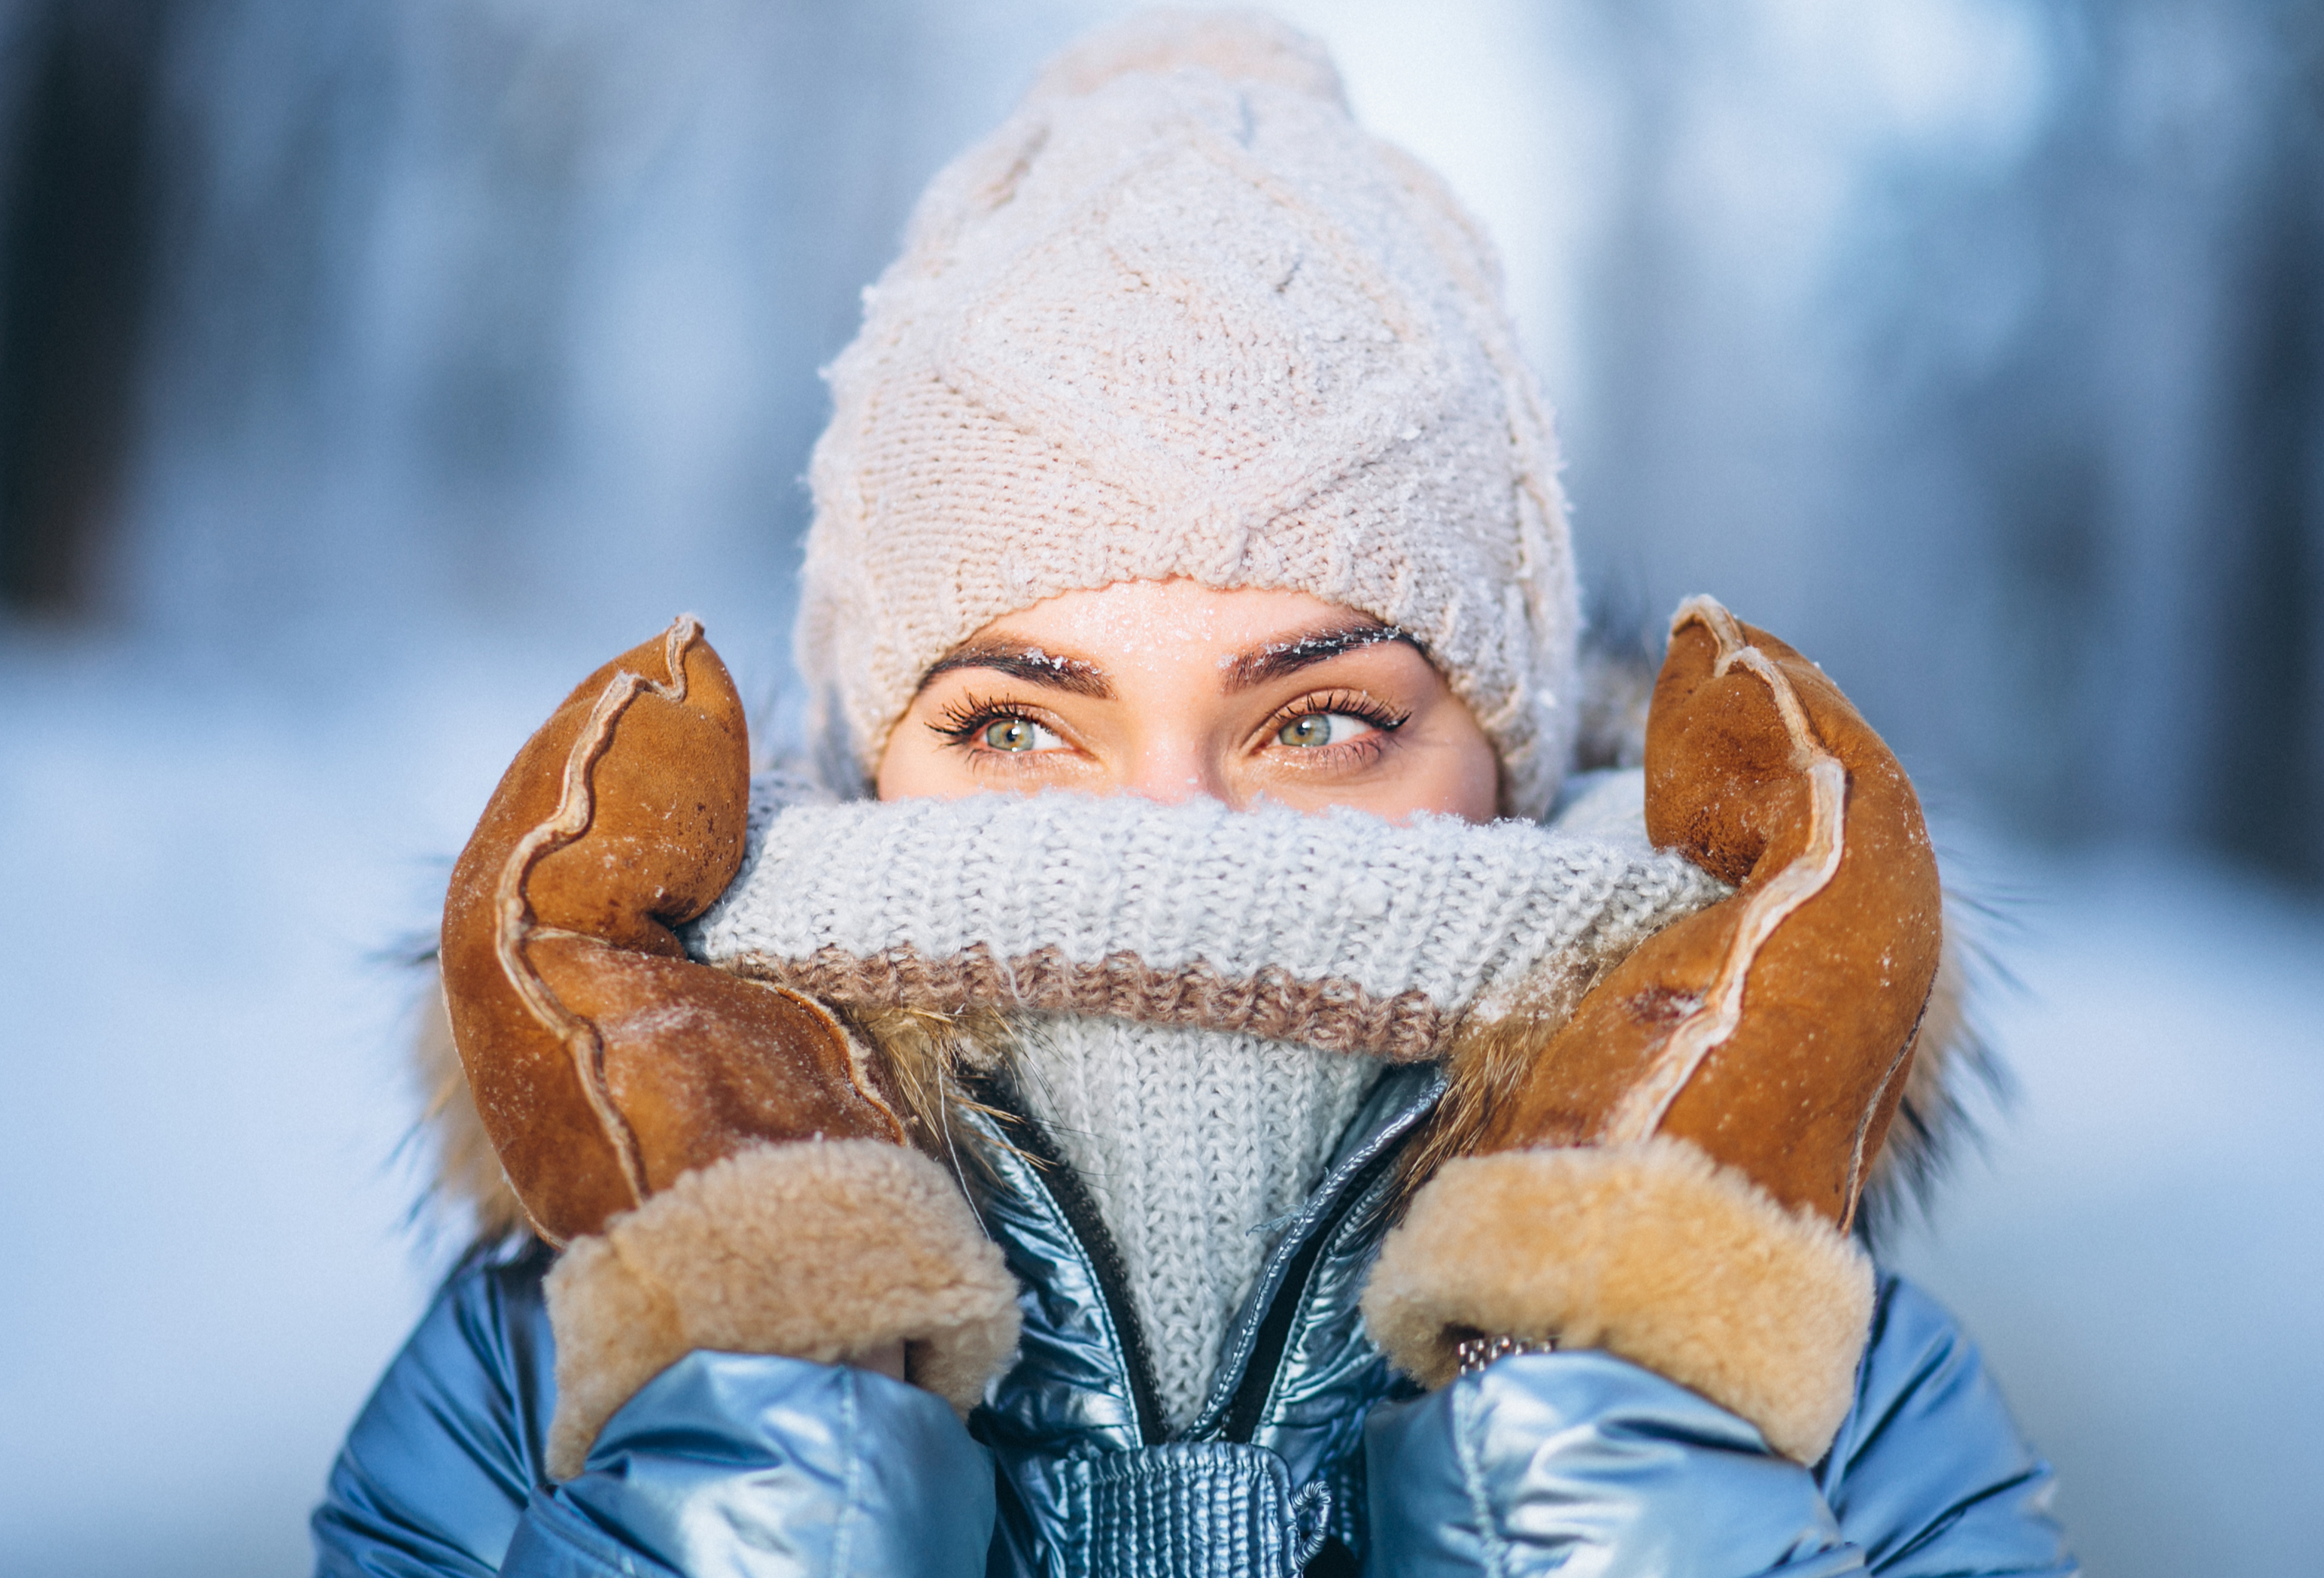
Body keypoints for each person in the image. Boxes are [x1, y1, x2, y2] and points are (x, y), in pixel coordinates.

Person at [313, 14, 2074, 1576]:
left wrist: (1613, 1424)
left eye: (1320, 723)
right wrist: (763, 1427)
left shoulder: (1816, 1383)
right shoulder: (560, 1368)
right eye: (1016, 727)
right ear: (867, 760)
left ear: (1512, 760)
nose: (1164, 841)